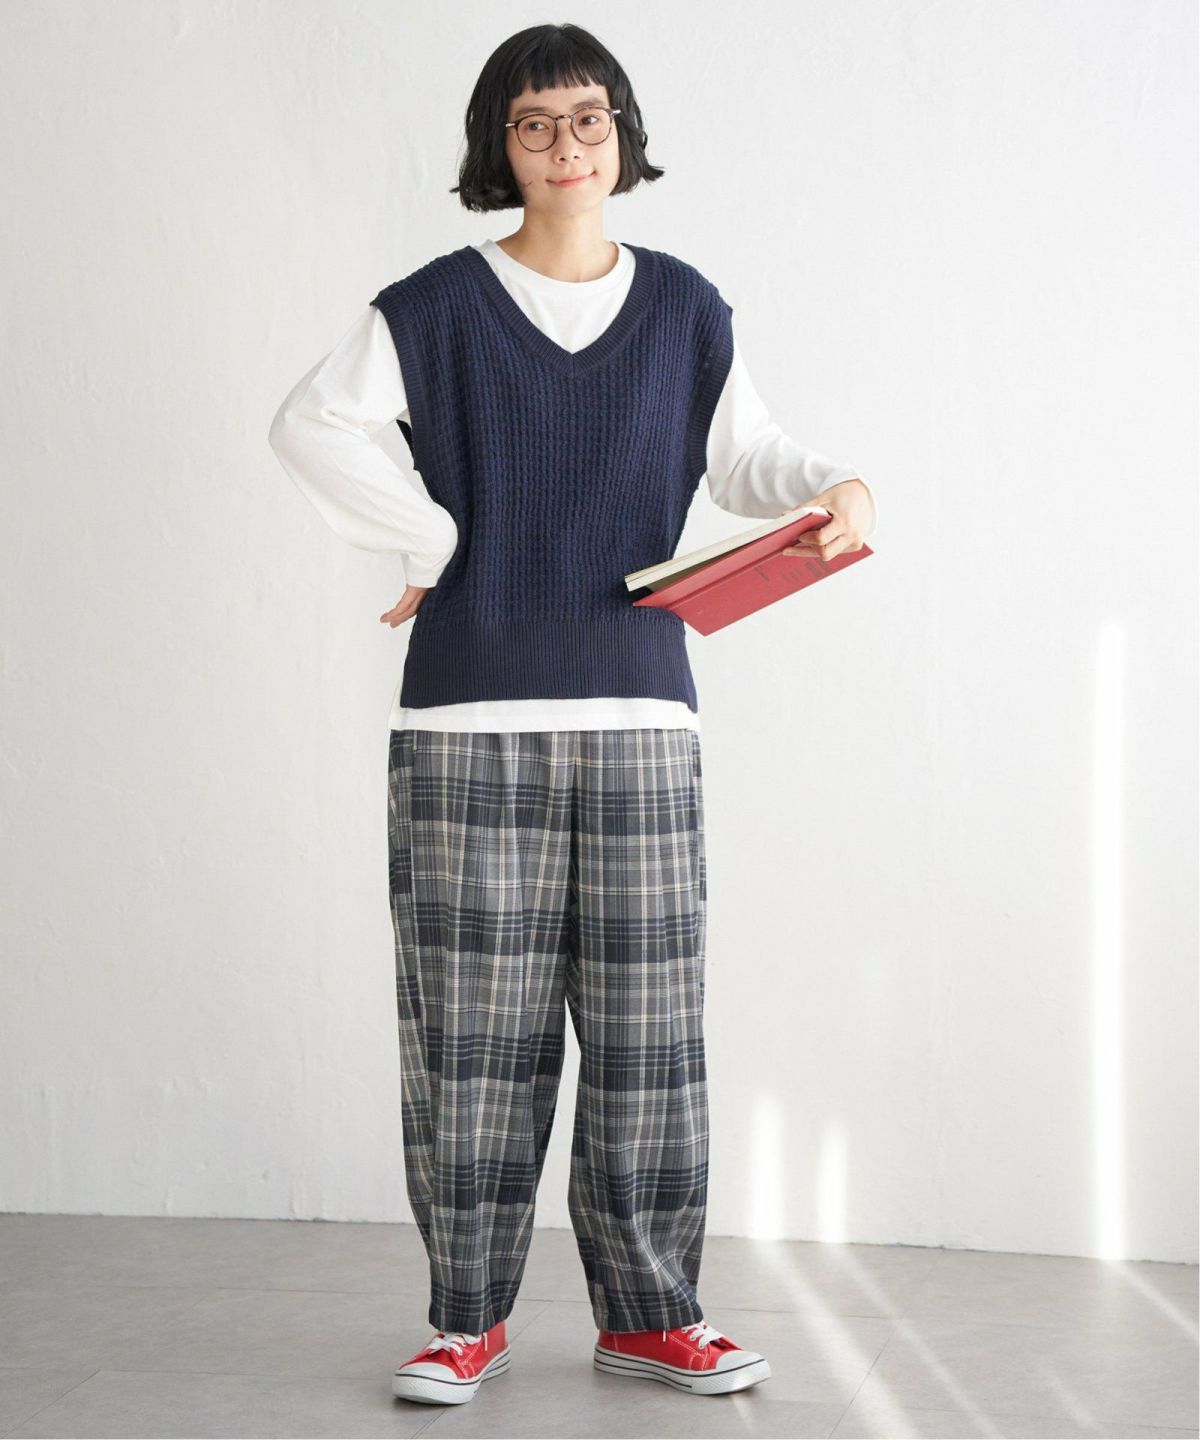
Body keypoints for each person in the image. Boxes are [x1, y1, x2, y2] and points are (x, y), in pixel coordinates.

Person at [268, 21, 876, 1407]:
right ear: (501, 146)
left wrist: (832, 483)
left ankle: (652, 1315)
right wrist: (428, 537)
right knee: (471, 1041)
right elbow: (310, 425)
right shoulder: (431, 307)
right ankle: (464, 1320)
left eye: (588, 118)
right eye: (534, 123)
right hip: (465, 720)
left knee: (650, 1036)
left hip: (642, 715)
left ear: (623, 136)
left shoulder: (687, 309)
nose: (565, 145)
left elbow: (748, 457)